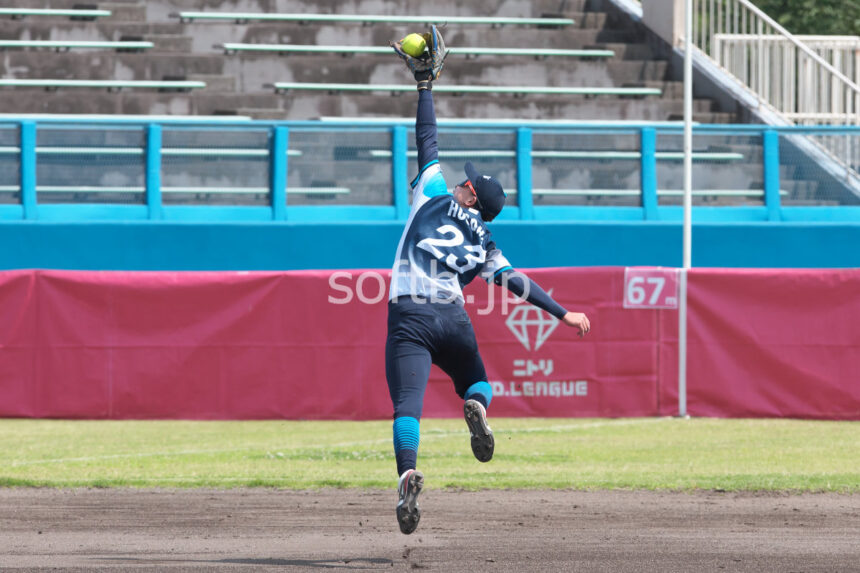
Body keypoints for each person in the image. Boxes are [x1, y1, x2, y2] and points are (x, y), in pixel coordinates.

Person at [388, 27, 591, 535]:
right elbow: (515, 282)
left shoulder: (433, 195)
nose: (462, 179)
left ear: (472, 196)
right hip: (453, 317)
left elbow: (426, 140)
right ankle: (476, 408)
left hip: (411, 312)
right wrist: (564, 313)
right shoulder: (486, 244)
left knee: (407, 404)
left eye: (469, 181)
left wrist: (425, 86)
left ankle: (408, 474)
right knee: (477, 383)